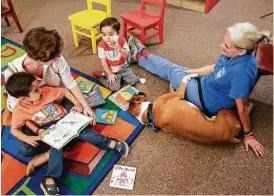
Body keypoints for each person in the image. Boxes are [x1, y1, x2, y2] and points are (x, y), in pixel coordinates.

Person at [128, 22, 270, 157]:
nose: (221, 46)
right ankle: (141, 54)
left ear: (241, 51)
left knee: (171, 69)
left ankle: (140, 55)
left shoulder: (241, 74)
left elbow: (243, 108)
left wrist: (248, 134)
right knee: (178, 70)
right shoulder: (235, 55)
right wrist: (191, 71)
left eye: (226, 46)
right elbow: (216, 68)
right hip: (205, 84)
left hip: (205, 99)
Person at [5, 72, 129, 195]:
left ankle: (111, 143)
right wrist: (26, 138)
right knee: (56, 146)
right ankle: (50, 178)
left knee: (84, 133)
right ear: (23, 98)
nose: (40, 90)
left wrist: (77, 104)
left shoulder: (46, 91)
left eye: (38, 86)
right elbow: (14, 129)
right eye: (36, 90)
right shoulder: (19, 110)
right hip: (49, 129)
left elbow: (64, 91)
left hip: (65, 119)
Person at [4, 27, 96, 124]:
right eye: (55, 56)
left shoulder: (58, 59)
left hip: (55, 97)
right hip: (30, 109)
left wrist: (86, 107)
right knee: (31, 135)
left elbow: (70, 83)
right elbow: (16, 105)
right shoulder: (12, 72)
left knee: (82, 120)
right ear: (39, 59)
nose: (59, 56)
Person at [92, 17, 139, 91]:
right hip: (111, 68)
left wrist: (121, 50)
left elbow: (127, 56)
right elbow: (104, 62)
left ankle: (121, 78)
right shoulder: (101, 45)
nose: (107, 38)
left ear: (117, 33)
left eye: (111, 34)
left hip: (124, 66)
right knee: (115, 88)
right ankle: (102, 76)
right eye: (104, 35)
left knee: (134, 80)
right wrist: (110, 74)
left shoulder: (122, 40)